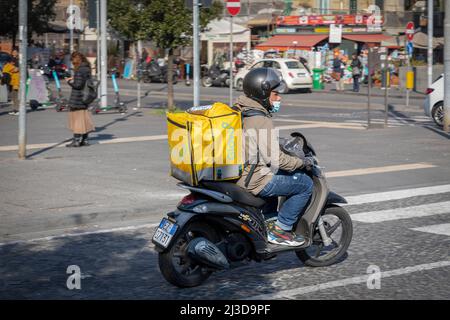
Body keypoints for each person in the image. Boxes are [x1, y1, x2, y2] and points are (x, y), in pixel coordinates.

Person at [234, 67, 314, 247]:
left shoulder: (241, 109)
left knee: (278, 178)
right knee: (304, 184)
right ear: (262, 93)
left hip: (239, 174)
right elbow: (276, 159)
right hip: (254, 179)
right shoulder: (261, 119)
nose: (279, 98)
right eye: (276, 94)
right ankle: (281, 230)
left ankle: (269, 222)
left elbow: (259, 145)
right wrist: (301, 162)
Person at [65, 52, 95, 147]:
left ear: (76, 60)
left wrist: (69, 81)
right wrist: (74, 77)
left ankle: (76, 141)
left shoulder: (79, 70)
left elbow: (78, 85)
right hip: (85, 97)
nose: (72, 64)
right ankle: (85, 140)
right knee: (84, 119)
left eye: (73, 61)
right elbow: (84, 81)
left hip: (78, 98)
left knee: (77, 120)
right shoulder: (87, 68)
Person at [2, 49, 20, 115]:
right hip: (10, 80)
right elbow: (8, 68)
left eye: (16, 52)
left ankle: (17, 110)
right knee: (12, 96)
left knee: (15, 95)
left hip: (15, 80)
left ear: (18, 53)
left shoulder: (18, 60)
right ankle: (14, 110)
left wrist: (10, 69)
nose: (14, 53)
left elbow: (16, 69)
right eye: (13, 52)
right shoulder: (10, 59)